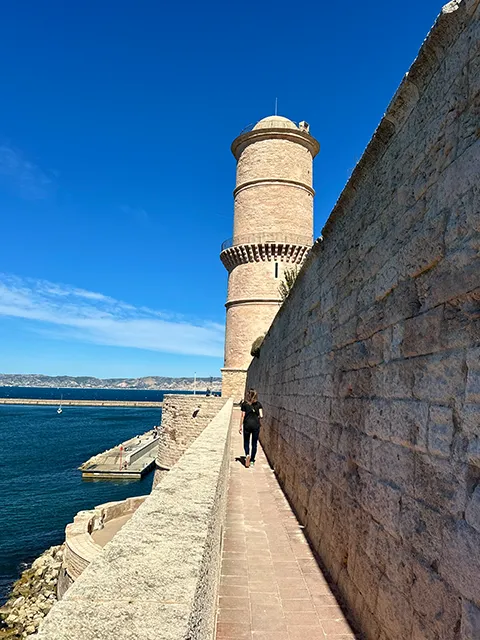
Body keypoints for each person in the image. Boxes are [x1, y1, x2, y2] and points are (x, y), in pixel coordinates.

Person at [239, 388, 263, 468]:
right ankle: (252, 460)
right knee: (254, 443)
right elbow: (261, 415)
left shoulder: (244, 404)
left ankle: (247, 454)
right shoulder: (259, 404)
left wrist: (240, 426)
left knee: (246, 442)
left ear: (248, 395)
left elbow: (243, 416)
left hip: (247, 425)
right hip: (255, 425)